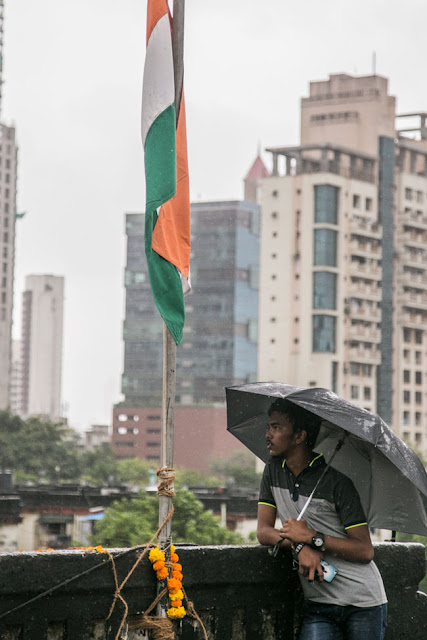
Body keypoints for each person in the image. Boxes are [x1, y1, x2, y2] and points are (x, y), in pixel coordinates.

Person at [257, 398, 387, 640]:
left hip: (362, 602)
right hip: (318, 604)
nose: (268, 434)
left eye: (276, 427)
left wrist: (313, 538)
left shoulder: (338, 483)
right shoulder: (272, 470)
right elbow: (264, 532)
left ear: (298, 436)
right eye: (269, 427)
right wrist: (299, 547)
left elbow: (364, 550)